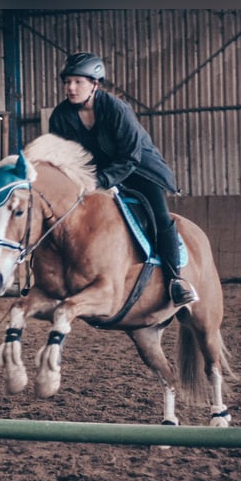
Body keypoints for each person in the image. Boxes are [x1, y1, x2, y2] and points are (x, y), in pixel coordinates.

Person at [48, 52, 198, 306]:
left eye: (78, 82)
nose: (70, 88)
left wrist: (99, 181)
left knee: (160, 218)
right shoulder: (60, 116)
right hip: (95, 175)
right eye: (67, 82)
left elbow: (130, 157)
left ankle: (176, 281)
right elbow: (60, 156)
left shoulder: (117, 109)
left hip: (140, 171)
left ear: (95, 84)